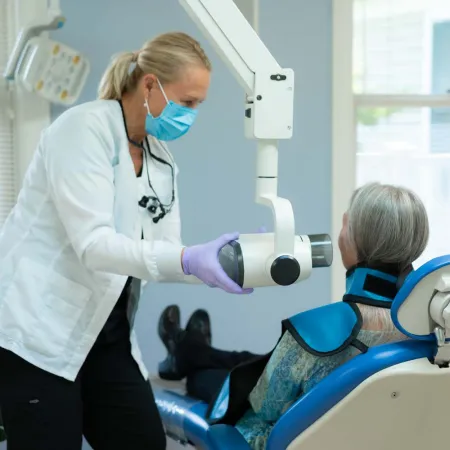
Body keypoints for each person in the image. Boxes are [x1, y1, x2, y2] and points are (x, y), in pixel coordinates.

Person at [0, 32, 253, 450]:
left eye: (198, 106)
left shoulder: (161, 160)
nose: (191, 115)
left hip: (106, 335)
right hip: (38, 334)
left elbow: (169, 254)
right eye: (187, 102)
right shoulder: (84, 130)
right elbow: (96, 246)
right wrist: (190, 259)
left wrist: (229, 262)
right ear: (150, 85)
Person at [157, 182, 430, 449]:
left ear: (355, 240)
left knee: (204, 379)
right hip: (385, 436)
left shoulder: (316, 333)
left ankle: (187, 353)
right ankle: (190, 349)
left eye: (347, 224)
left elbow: (265, 406)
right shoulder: (429, 334)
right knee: (248, 361)